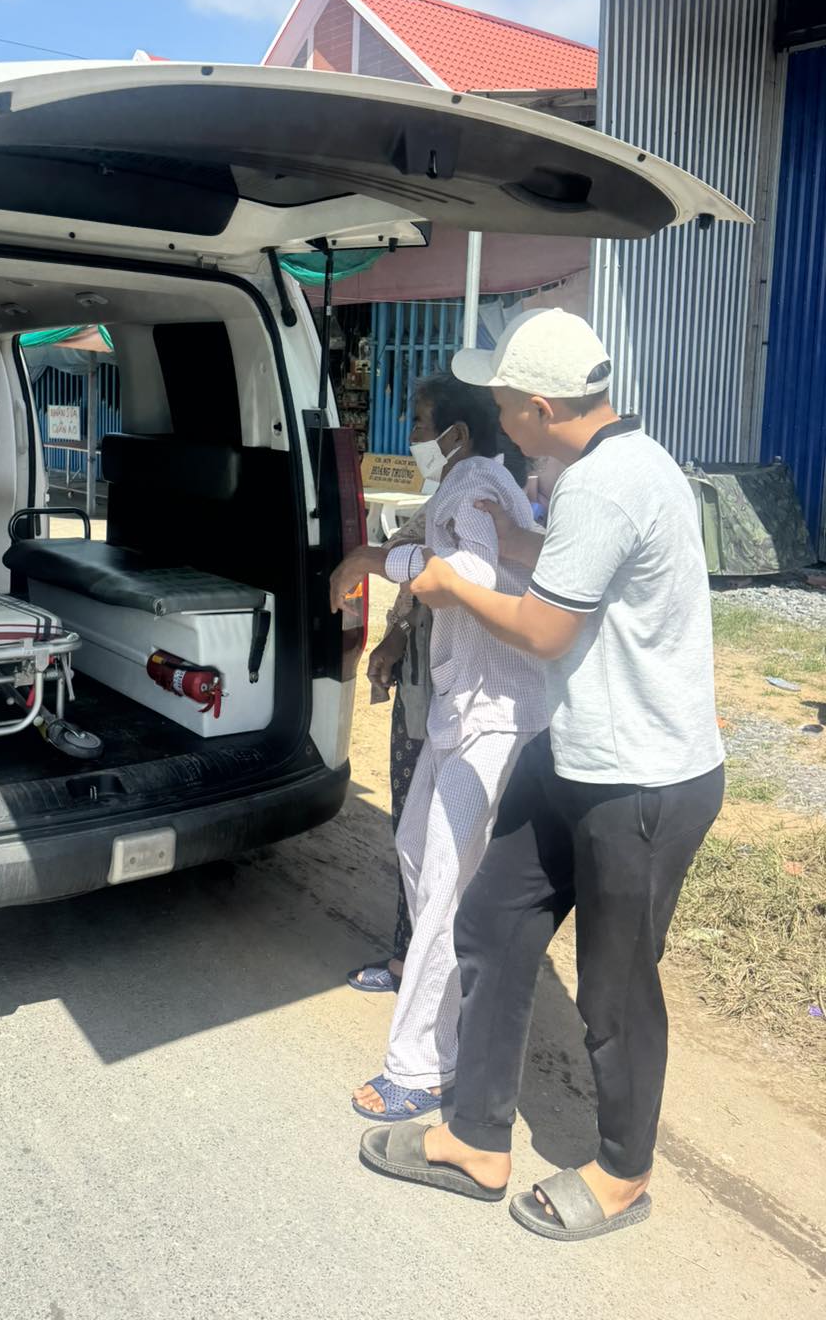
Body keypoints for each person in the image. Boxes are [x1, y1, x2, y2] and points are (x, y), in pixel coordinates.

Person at [359, 309, 725, 1243]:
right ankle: (476, 1139)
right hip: (572, 755)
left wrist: (451, 584)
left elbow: (545, 629)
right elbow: (566, 565)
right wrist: (505, 541)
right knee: (490, 919)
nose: (496, 413)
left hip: (641, 779)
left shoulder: (602, 486)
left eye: (505, 399)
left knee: (614, 988)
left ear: (540, 407)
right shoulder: (617, 464)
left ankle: (623, 1174)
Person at [330, 375, 546, 1121]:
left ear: (456, 432)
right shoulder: (467, 481)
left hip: (494, 713)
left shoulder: (478, 482)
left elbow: (472, 575)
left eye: (423, 422)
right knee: (418, 850)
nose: (415, 434)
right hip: (464, 705)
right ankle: (448, 1001)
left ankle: (423, 1064)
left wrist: (371, 560)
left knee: (448, 879)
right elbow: (446, 555)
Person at [346, 491, 432, 995]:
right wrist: (398, 632)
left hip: (457, 706)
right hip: (424, 694)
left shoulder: (480, 495)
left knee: (431, 835)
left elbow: (422, 562)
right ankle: (408, 956)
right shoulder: (469, 493)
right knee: (414, 829)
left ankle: (422, 968)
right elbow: (412, 577)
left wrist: (363, 559)